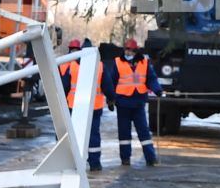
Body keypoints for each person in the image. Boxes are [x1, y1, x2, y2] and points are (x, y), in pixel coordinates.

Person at [112, 36, 160, 166]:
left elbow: (151, 79)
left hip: (138, 102)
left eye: (131, 50)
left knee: (144, 131)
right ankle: (125, 159)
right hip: (123, 103)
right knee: (124, 133)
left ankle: (151, 158)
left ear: (136, 51)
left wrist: (157, 90)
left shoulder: (144, 62)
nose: (128, 53)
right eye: (126, 50)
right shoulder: (117, 62)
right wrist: (111, 99)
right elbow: (112, 81)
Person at [60, 38, 107, 171]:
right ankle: (95, 163)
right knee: (93, 136)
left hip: (75, 107)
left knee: (73, 135)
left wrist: (60, 100)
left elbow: (65, 86)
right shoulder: (100, 66)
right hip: (94, 107)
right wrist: (111, 99)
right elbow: (107, 84)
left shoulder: (72, 66)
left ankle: (73, 163)